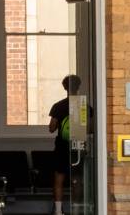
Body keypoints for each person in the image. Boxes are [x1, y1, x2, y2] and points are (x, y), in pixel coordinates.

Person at [48, 74, 92, 215]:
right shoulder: (84, 106)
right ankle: (77, 209)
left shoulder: (58, 106)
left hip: (61, 147)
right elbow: (91, 129)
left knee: (59, 179)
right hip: (78, 146)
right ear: (78, 87)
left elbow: (51, 128)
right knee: (77, 180)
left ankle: (59, 211)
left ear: (64, 87)